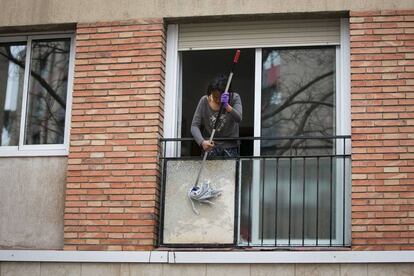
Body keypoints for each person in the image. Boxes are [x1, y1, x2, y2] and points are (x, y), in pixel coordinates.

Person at [191, 74, 242, 158]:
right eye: (215, 97)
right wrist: (202, 142)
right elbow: (194, 126)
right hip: (211, 146)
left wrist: (227, 106)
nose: (218, 100)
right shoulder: (204, 100)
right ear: (211, 92)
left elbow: (238, 118)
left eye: (220, 97)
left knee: (230, 171)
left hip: (230, 146)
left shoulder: (234, 97)